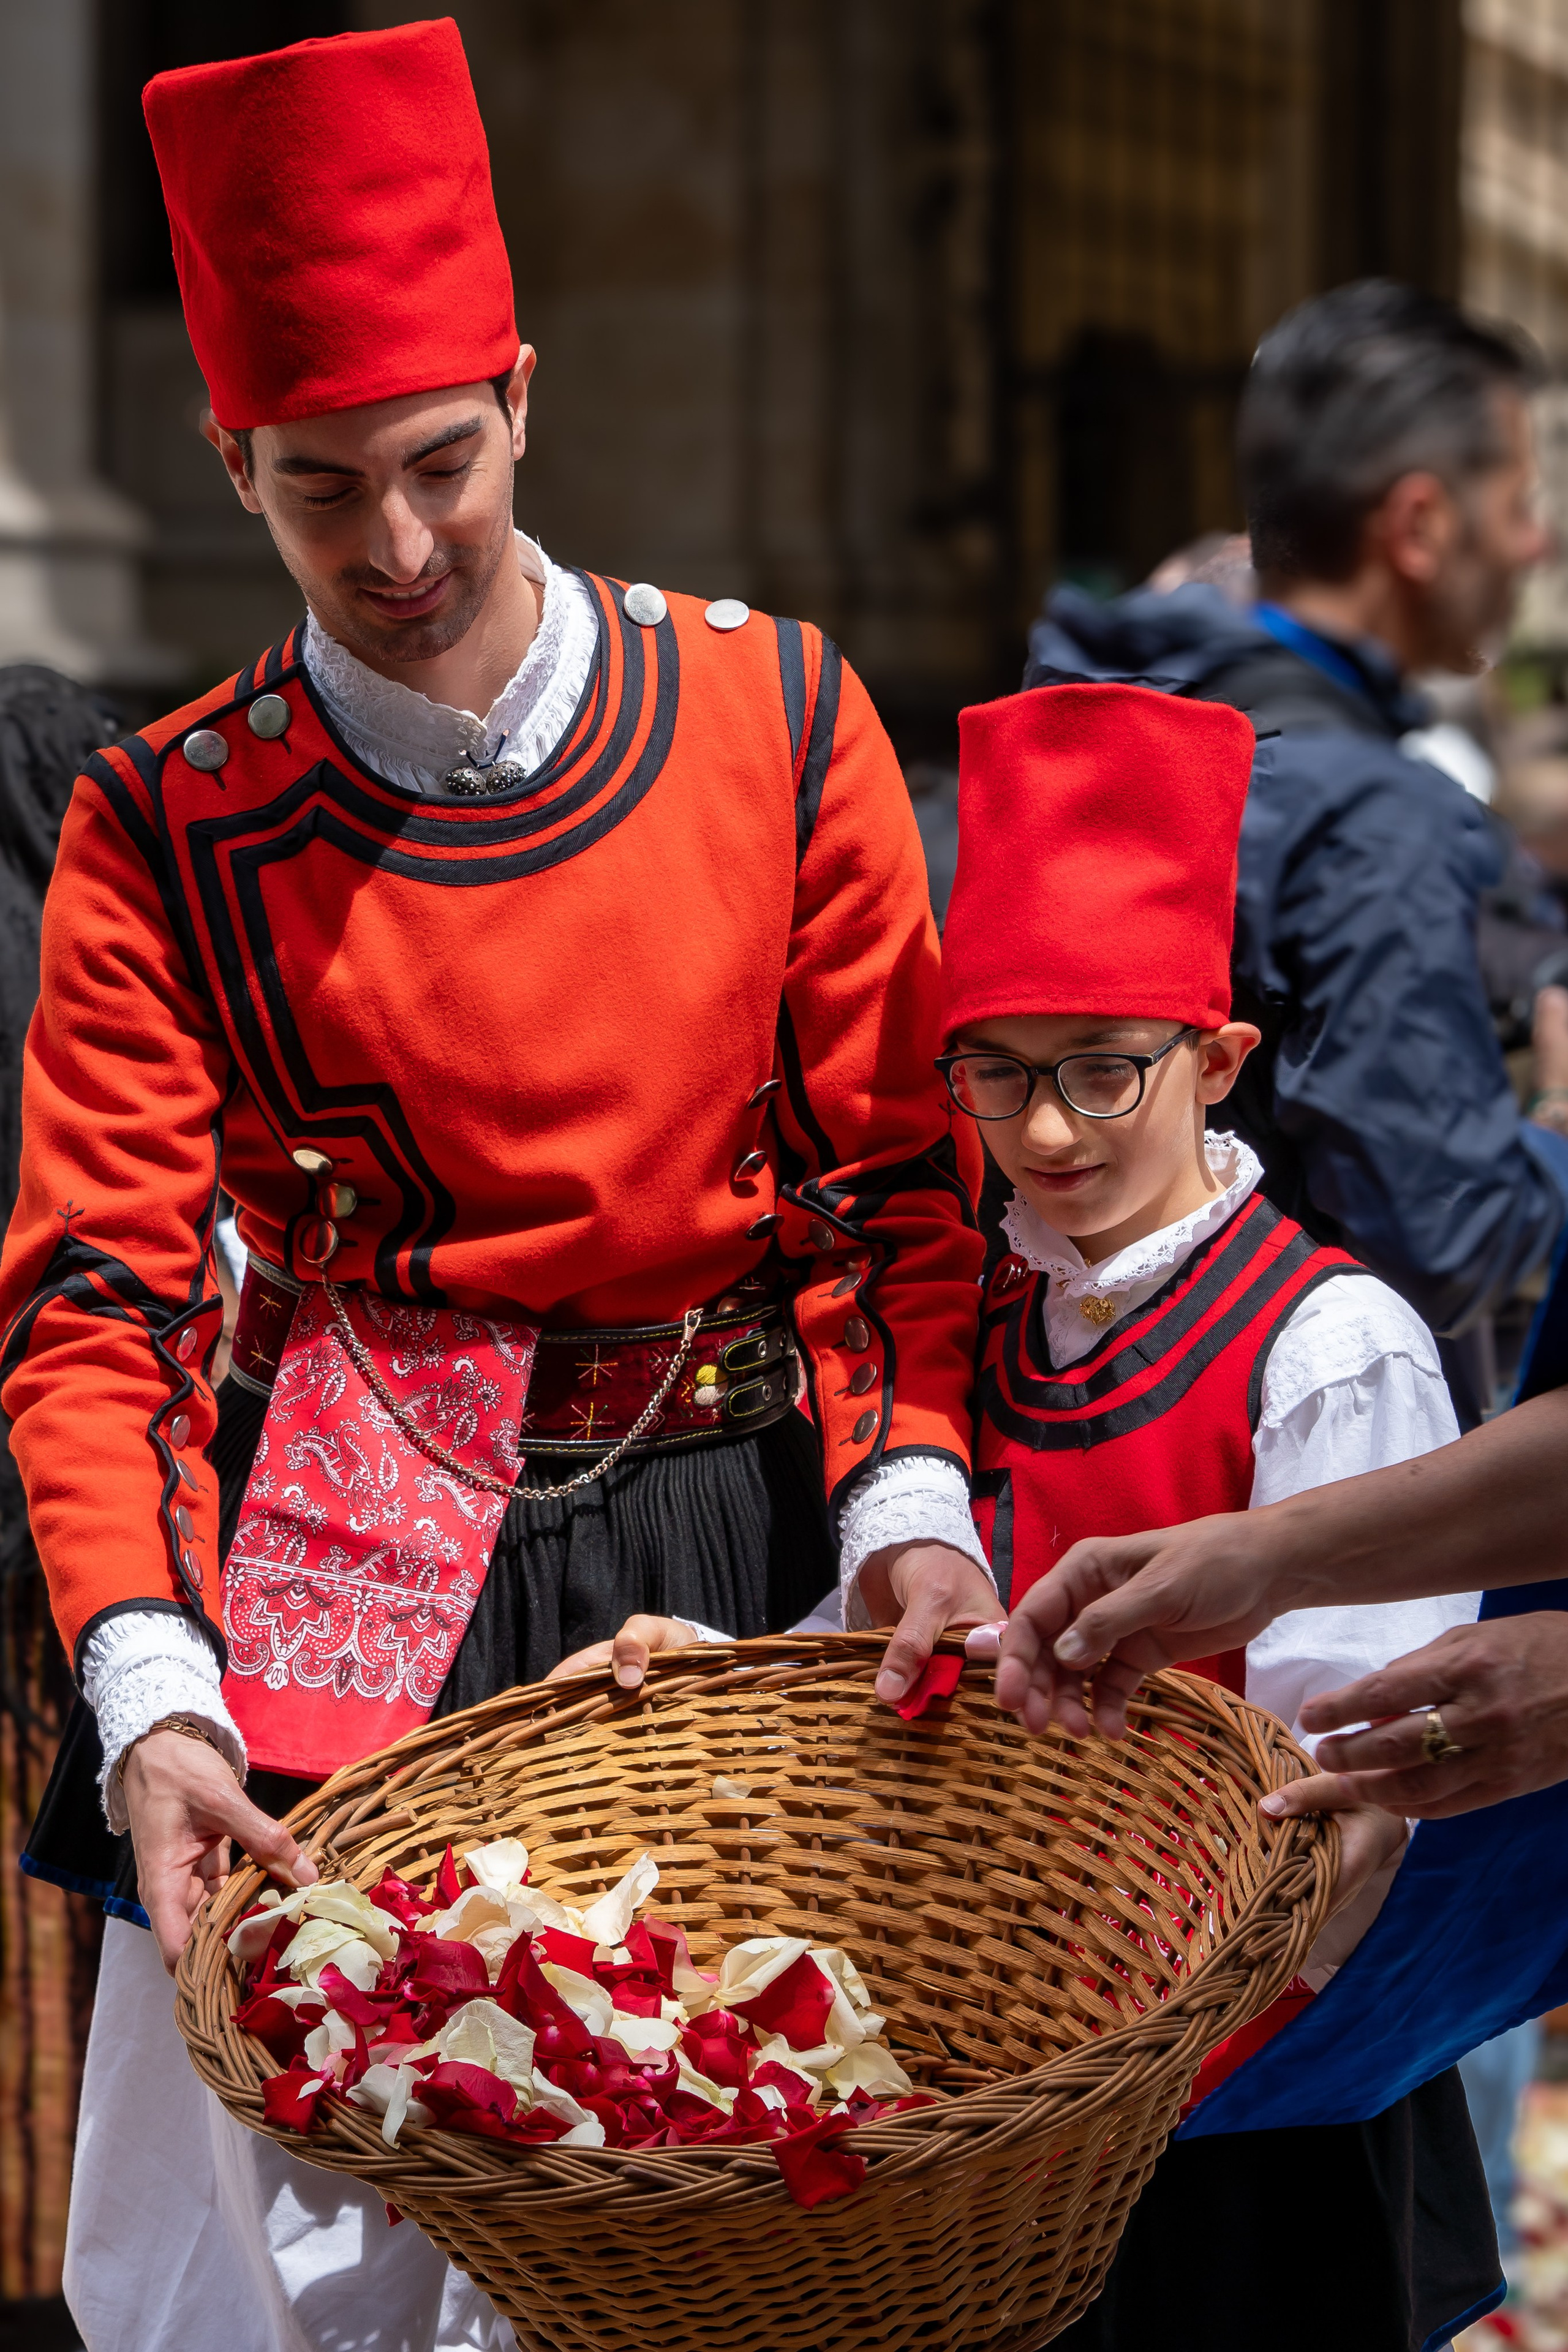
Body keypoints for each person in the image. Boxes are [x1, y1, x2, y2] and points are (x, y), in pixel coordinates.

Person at [2, 25, 998, 2352]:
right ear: (229, 466)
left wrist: (917, 1512)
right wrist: (154, 1705)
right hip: (345, 1561)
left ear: (526, 401)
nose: (404, 544)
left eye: (442, 460)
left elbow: (898, 1209)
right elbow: (100, 1303)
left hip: (738, 1537)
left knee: (753, 2184)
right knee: (325, 2246)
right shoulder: (161, 820)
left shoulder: (777, 717)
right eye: (323, 488)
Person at [936, 675, 1498, 2352]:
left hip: (1250, 2089)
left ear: (1217, 1059)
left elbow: (1353, 1803)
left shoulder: (1325, 1349)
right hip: (994, 2072)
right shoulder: (970, 1328)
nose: (1046, 1131)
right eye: (1000, 1075)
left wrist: (1129, 2070)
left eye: (1104, 1073)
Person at [1026, 281, 1568, 1427]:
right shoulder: (1371, 817)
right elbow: (1447, 1233)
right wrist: (1560, 1122)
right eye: (1519, 502)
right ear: (1419, 526)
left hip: (1071, 1420)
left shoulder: (1088, 724)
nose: (1536, 542)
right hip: (1291, 1459)